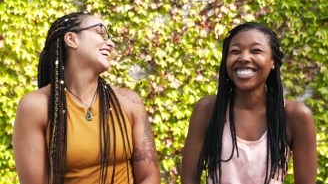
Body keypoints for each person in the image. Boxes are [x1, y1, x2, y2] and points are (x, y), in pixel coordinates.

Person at [13, 11, 160, 184]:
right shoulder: (37, 106)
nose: (110, 43)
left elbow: (149, 177)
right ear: (71, 39)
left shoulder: (129, 102)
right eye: (100, 32)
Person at [182, 22, 317, 184]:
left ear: (273, 61)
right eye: (235, 51)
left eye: (256, 50)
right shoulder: (208, 109)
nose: (244, 58)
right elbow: (189, 180)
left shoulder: (294, 115)